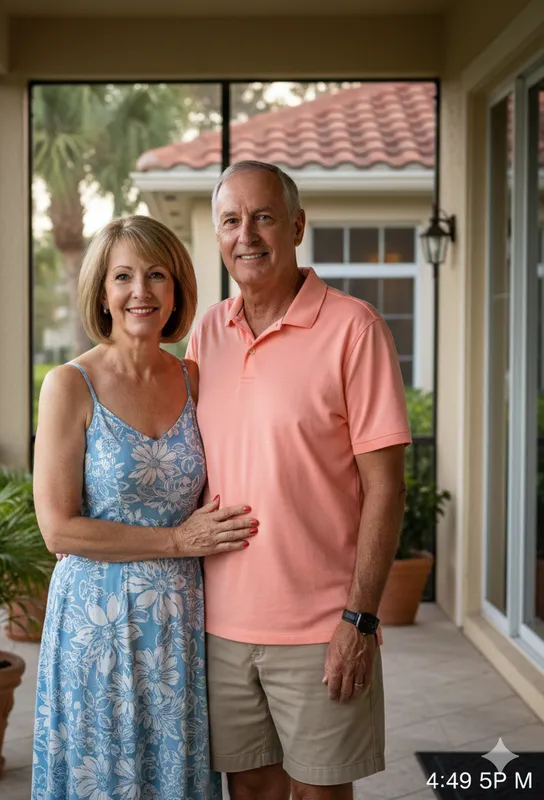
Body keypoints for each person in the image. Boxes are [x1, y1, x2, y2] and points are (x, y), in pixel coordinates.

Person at [186, 161, 411, 800]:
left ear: (298, 226)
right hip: (220, 626)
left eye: (264, 217)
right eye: (231, 220)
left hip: (321, 629)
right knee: (250, 791)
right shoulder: (207, 332)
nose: (247, 235)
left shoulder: (353, 328)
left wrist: (359, 620)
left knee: (319, 794)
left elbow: (386, 489)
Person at [31, 214, 257, 799]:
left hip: (180, 624)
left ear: (177, 287)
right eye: (123, 276)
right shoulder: (68, 385)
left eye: (156, 275)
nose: (141, 292)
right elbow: (58, 529)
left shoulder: (194, 379)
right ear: (101, 293)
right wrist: (177, 541)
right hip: (94, 625)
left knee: (171, 777)